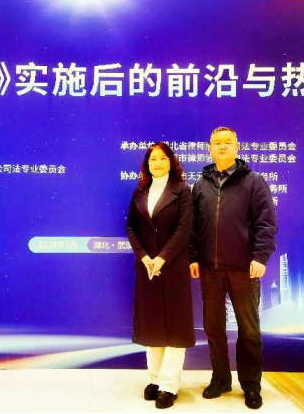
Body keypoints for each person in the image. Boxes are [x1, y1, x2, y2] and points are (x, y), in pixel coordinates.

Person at [189, 127, 277, 410]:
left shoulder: (254, 181)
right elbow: (193, 228)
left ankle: (251, 385)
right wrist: (193, 257)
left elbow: (266, 223)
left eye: (228, 142)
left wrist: (260, 257)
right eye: (217, 143)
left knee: (249, 331)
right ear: (210, 148)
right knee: (214, 328)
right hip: (210, 270)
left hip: (244, 269)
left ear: (237, 147)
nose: (222, 147)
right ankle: (221, 379)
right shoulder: (200, 185)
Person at [126, 142, 195, 409]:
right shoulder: (139, 192)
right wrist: (144, 257)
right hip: (147, 269)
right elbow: (132, 228)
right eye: (153, 159)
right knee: (152, 325)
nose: (158, 163)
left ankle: (169, 385)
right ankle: (154, 379)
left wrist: (162, 258)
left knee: (175, 328)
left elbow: (184, 229)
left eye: (163, 158)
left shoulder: (182, 190)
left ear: (171, 162)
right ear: (147, 164)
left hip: (173, 267)